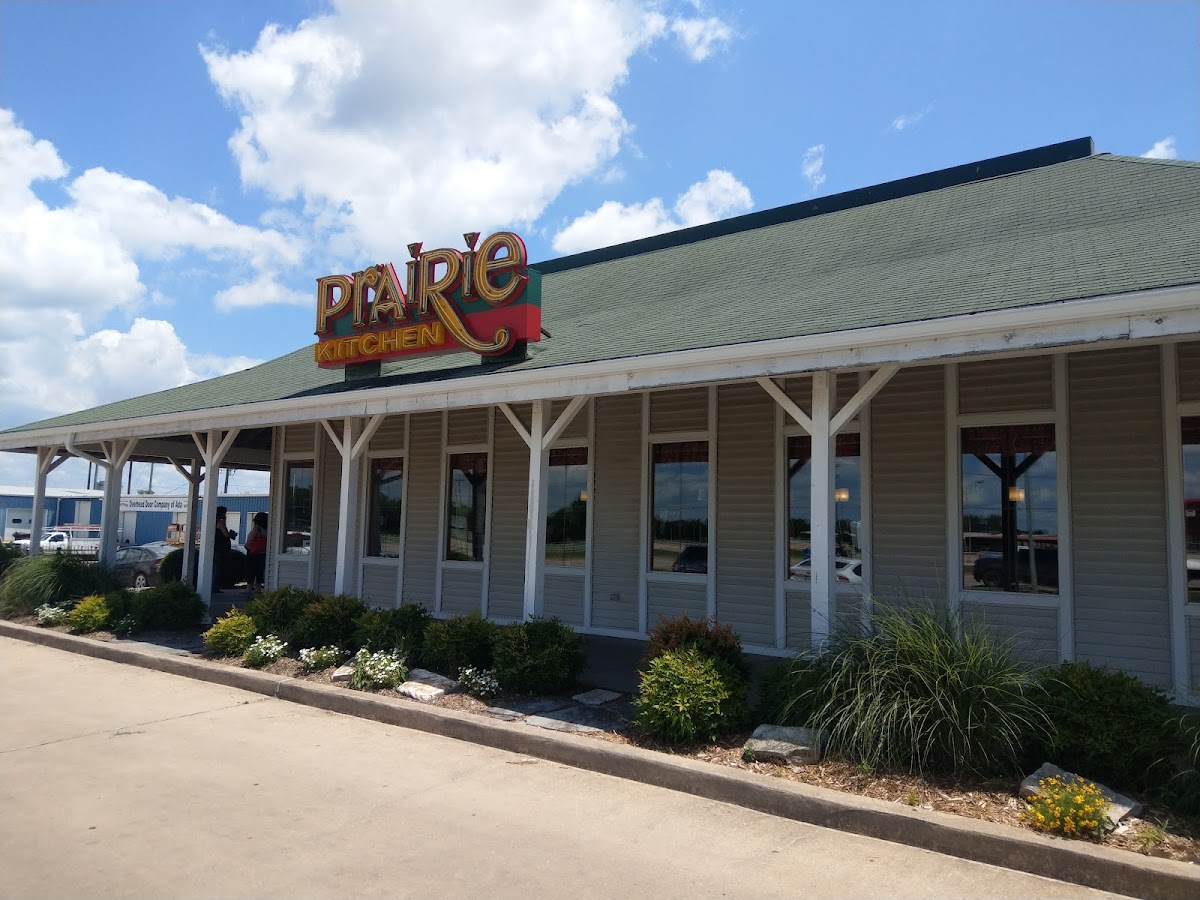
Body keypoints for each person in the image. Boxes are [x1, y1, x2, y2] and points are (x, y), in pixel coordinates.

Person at [245, 511, 268, 590]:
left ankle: (249, 588)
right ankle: (258, 587)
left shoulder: (257, 527)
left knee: (251, 569)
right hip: (262, 552)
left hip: (253, 552)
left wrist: (246, 545)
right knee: (259, 570)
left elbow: (252, 537)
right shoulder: (267, 529)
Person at [213, 505, 232, 592]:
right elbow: (226, 534)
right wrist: (231, 534)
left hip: (216, 547)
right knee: (219, 568)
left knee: (216, 567)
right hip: (221, 549)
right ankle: (215, 586)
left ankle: (214, 585)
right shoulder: (221, 522)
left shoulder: (214, 521)